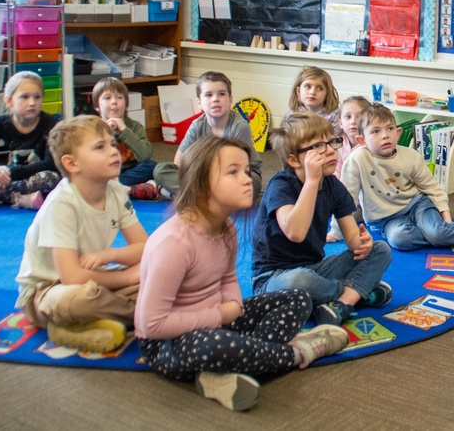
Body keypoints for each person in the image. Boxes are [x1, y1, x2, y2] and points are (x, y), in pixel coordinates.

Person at [136, 136, 348, 412]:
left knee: (297, 299)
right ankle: (297, 352)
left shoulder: (227, 228)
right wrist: (218, 316)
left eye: (247, 171)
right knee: (212, 345)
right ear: (200, 186)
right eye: (233, 172)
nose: (248, 179)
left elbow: (227, 278)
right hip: (170, 343)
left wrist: (234, 304)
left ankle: (230, 367)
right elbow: (151, 325)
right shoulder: (173, 244)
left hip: (218, 320)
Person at [15, 115, 147, 352]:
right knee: (79, 300)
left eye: (113, 144)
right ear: (72, 163)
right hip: (47, 292)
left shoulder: (115, 191)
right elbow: (71, 277)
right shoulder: (61, 204)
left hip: (95, 280)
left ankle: (94, 322)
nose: (114, 152)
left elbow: (145, 248)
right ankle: (149, 313)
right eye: (100, 147)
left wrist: (109, 256)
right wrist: (127, 277)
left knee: (156, 276)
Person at [252, 112, 393, 326]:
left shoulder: (333, 185)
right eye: (317, 146)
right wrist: (311, 181)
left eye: (331, 142)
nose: (329, 151)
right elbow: (295, 232)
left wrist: (362, 244)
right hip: (274, 279)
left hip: (316, 269)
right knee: (299, 281)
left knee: (381, 249)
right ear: (293, 159)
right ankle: (356, 292)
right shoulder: (281, 185)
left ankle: (341, 304)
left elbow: (353, 241)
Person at [341, 103, 454, 252]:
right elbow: (344, 199)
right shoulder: (356, 160)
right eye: (375, 131)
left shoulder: (411, 157)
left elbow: (432, 187)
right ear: (362, 140)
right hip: (388, 219)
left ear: (397, 133)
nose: (384, 135)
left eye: (389, 129)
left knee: (437, 232)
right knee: (400, 240)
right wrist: (336, 231)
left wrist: (446, 216)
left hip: (417, 204)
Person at [153, 71, 262, 198]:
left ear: (230, 100)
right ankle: (204, 197)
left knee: (241, 186)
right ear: (199, 102)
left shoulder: (239, 127)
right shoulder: (197, 125)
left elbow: (239, 168)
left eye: (221, 94)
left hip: (240, 175)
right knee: (161, 170)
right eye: (208, 95)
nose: (215, 99)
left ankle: (183, 195)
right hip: (205, 177)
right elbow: (178, 163)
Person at [0, 71, 60, 209]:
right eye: (24, 97)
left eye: (37, 97)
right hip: (11, 178)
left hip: (35, 177)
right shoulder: (2, 122)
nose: (32, 103)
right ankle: (20, 198)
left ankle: (4, 195)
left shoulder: (51, 124)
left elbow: (50, 163)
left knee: (50, 178)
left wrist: (10, 172)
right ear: (9, 101)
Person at [91, 77, 161, 201]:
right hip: (105, 171)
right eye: (107, 98)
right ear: (97, 106)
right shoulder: (92, 128)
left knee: (152, 166)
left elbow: (145, 155)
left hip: (129, 171)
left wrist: (125, 130)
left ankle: (114, 187)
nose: (114, 102)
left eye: (119, 97)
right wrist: (105, 133)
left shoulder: (135, 127)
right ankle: (130, 189)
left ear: (126, 103)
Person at [326, 95, 370, 242]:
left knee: (349, 216)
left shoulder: (369, 147)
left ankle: (337, 230)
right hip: (340, 196)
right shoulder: (337, 145)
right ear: (340, 122)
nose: (352, 122)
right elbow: (334, 174)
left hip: (362, 203)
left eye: (358, 117)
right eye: (347, 117)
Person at [287, 66, 341, 134]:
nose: (312, 92)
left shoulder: (334, 115)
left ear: (327, 94)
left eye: (319, 88)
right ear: (298, 91)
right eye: (307, 86)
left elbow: (336, 140)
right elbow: (285, 137)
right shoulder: (292, 112)